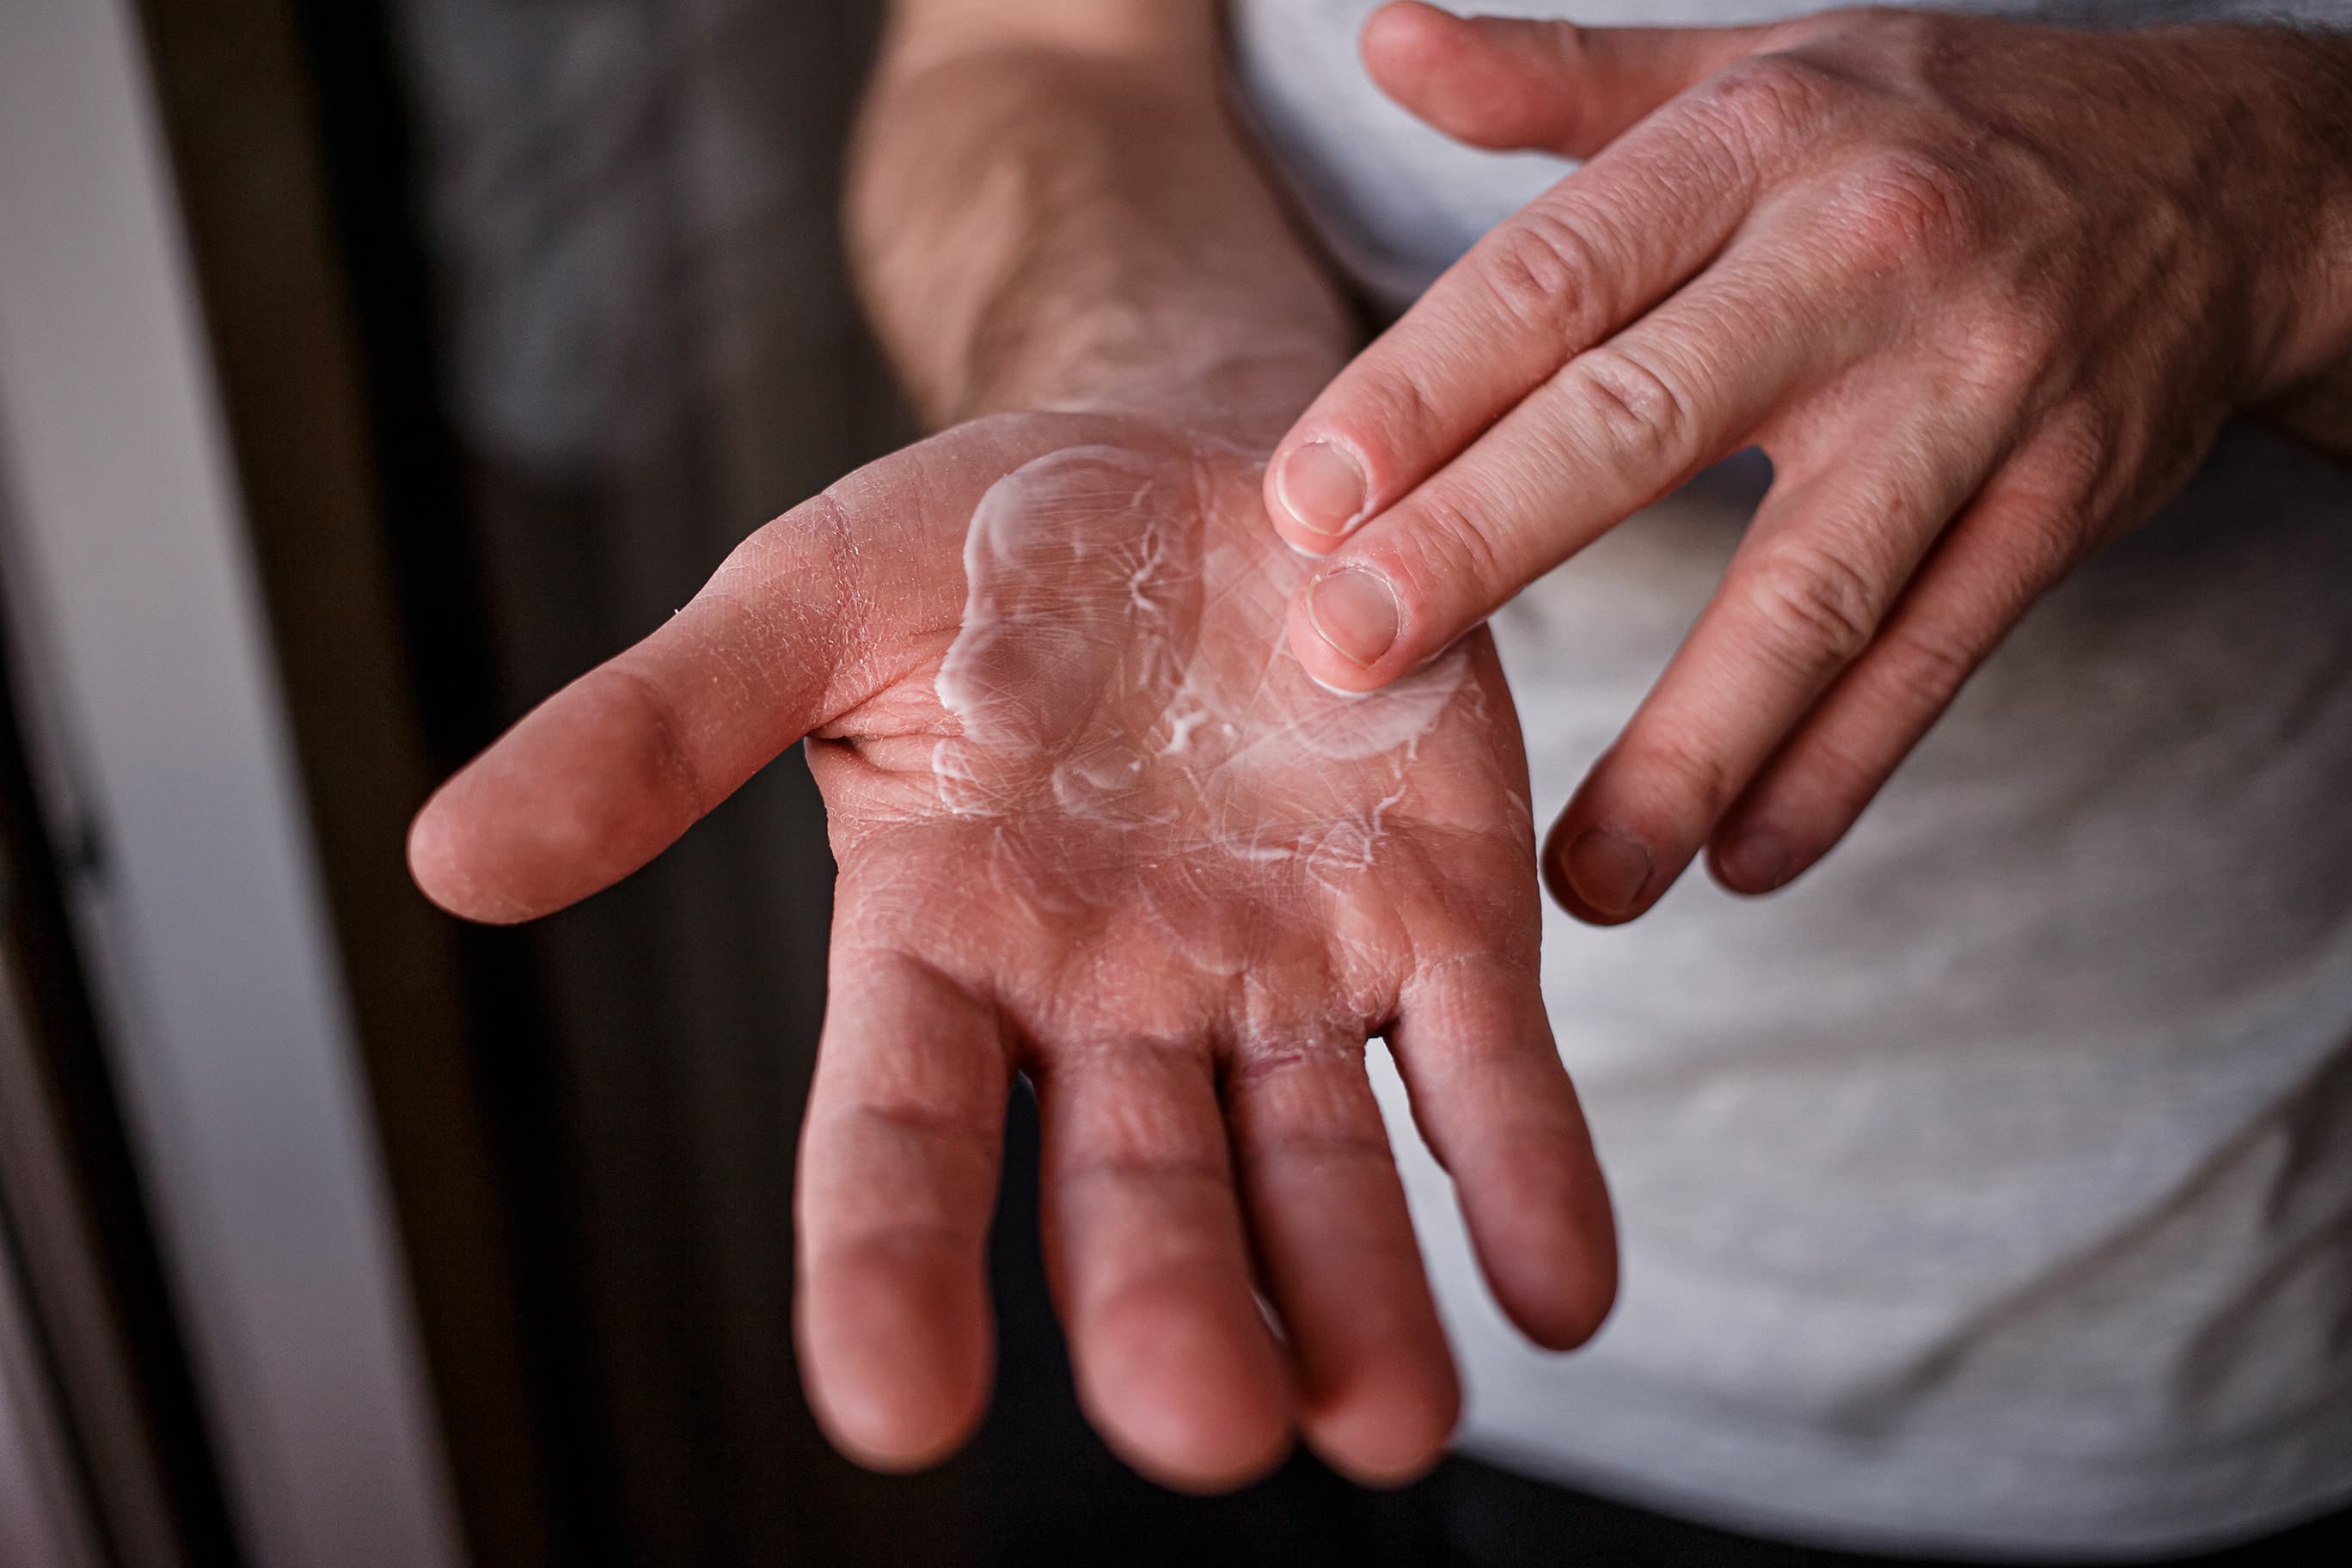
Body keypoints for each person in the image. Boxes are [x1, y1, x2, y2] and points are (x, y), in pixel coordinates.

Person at [408, 1, 2352, 1560]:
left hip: (2106, 1349)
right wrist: (1161, 383)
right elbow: (1038, 51)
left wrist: (2281, 196)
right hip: (1133, 1064)